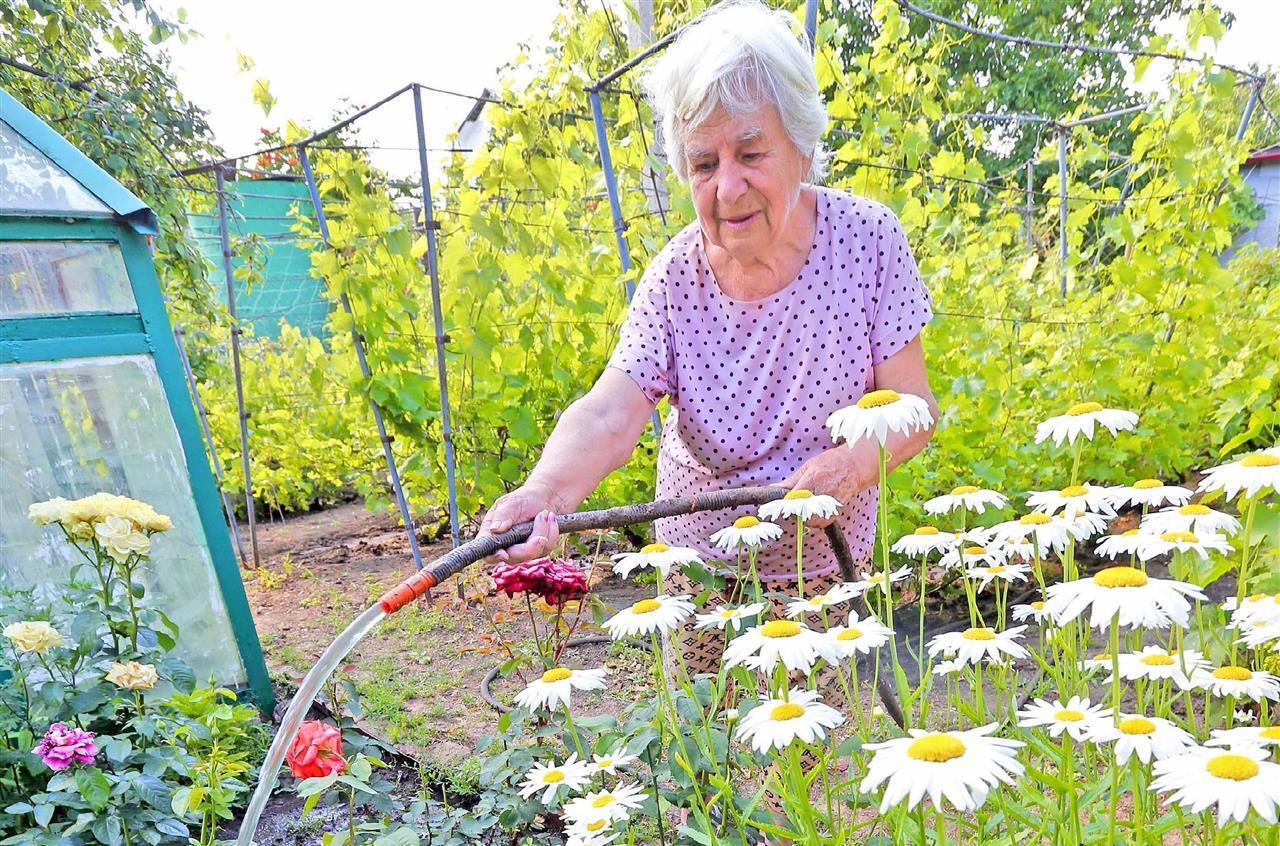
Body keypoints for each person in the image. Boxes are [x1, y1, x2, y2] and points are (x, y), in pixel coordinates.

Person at [479, 0, 937, 675]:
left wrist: (853, 466)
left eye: (750, 153)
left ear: (802, 148)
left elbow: (914, 408)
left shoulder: (868, 243)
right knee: (704, 728)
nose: (728, 187)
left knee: (811, 733)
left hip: (823, 565)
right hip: (700, 566)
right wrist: (545, 492)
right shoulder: (675, 279)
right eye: (703, 164)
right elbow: (609, 412)